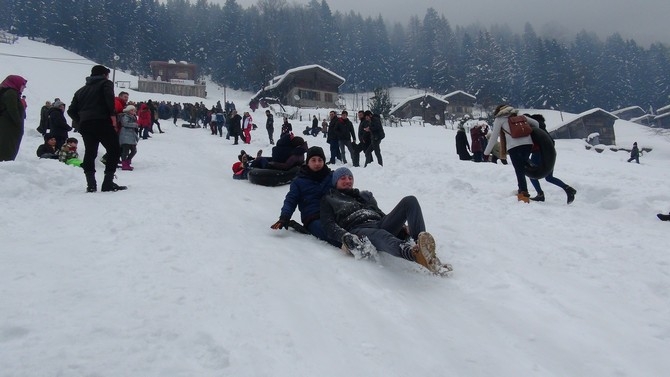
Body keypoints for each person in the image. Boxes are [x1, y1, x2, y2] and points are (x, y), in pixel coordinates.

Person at [320, 167, 450, 273]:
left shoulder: (363, 196)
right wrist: (345, 236)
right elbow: (328, 225)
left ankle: (422, 246)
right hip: (358, 228)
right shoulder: (329, 199)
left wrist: (401, 227)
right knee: (382, 235)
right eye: (343, 178)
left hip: (379, 223)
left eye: (350, 178)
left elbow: (379, 213)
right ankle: (413, 254)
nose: (348, 181)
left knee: (410, 201)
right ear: (335, 182)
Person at [67, 65, 126, 192]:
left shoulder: (80, 91)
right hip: (102, 122)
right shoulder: (106, 84)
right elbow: (109, 99)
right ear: (104, 75)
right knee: (115, 149)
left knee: (90, 152)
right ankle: (108, 182)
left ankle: (91, 184)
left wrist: (81, 120)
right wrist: (112, 116)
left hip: (86, 125)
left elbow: (71, 110)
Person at [270, 146, 339, 245]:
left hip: (334, 214)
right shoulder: (299, 182)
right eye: (313, 160)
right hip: (314, 218)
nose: (317, 163)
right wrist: (284, 217)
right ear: (308, 162)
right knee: (329, 231)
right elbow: (291, 200)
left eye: (320, 160)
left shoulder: (331, 177)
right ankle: (351, 245)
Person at [484, 104, 538, 202]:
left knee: (519, 169)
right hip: (528, 144)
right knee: (522, 166)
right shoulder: (518, 115)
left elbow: (493, 137)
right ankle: (523, 184)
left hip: (514, 146)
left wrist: (486, 152)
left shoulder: (499, 119)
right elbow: (536, 123)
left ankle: (523, 193)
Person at [525, 114, 577, 204]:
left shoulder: (534, 128)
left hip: (538, 153)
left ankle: (540, 195)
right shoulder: (541, 126)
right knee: (549, 177)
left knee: (532, 174)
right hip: (550, 153)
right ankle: (568, 189)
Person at [0, 74, 28, 161]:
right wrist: (18, 122)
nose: (24, 88)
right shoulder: (11, 93)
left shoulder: (10, 92)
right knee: (7, 148)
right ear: (16, 83)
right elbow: (12, 109)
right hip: (9, 127)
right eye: (23, 85)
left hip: (9, 126)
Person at [119, 105, 139, 171]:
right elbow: (124, 123)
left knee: (134, 151)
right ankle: (124, 164)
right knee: (125, 151)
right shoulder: (125, 116)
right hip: (125, 136)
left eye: (134, 110)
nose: (133, 111)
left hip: (130, 136)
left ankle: (127, 161)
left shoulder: (133, 117)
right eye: (131, 110)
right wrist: (135, 125)